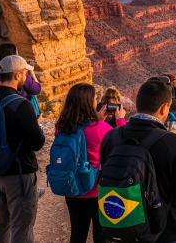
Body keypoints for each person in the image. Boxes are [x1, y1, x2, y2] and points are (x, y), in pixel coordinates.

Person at [99, 78, 176, 243]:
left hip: (125, 230)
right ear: (164, 107)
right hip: (167, 232)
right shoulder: (173, 143)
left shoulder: (110, 137)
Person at [0, 55, 46, 243]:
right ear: (17, 75)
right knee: (22, 226)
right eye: (25, 73)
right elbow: (37, 143)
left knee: (0, 224)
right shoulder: (21, 104)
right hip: (18, 174)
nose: (27, 77)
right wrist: (35, 124)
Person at [56, 83, 126, 243]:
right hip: (96, 192)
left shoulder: (62, 126)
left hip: (72, 189)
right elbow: (124, 144)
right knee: (101, 237)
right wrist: (120, 120)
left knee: (77, 235)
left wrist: (97, 119)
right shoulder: (101, 128)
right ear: (89, 103)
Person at [0, 43, 42, 119]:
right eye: (17, 53)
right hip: (19, 114)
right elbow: (37, 89)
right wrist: (31, 73)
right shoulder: (18, 74)